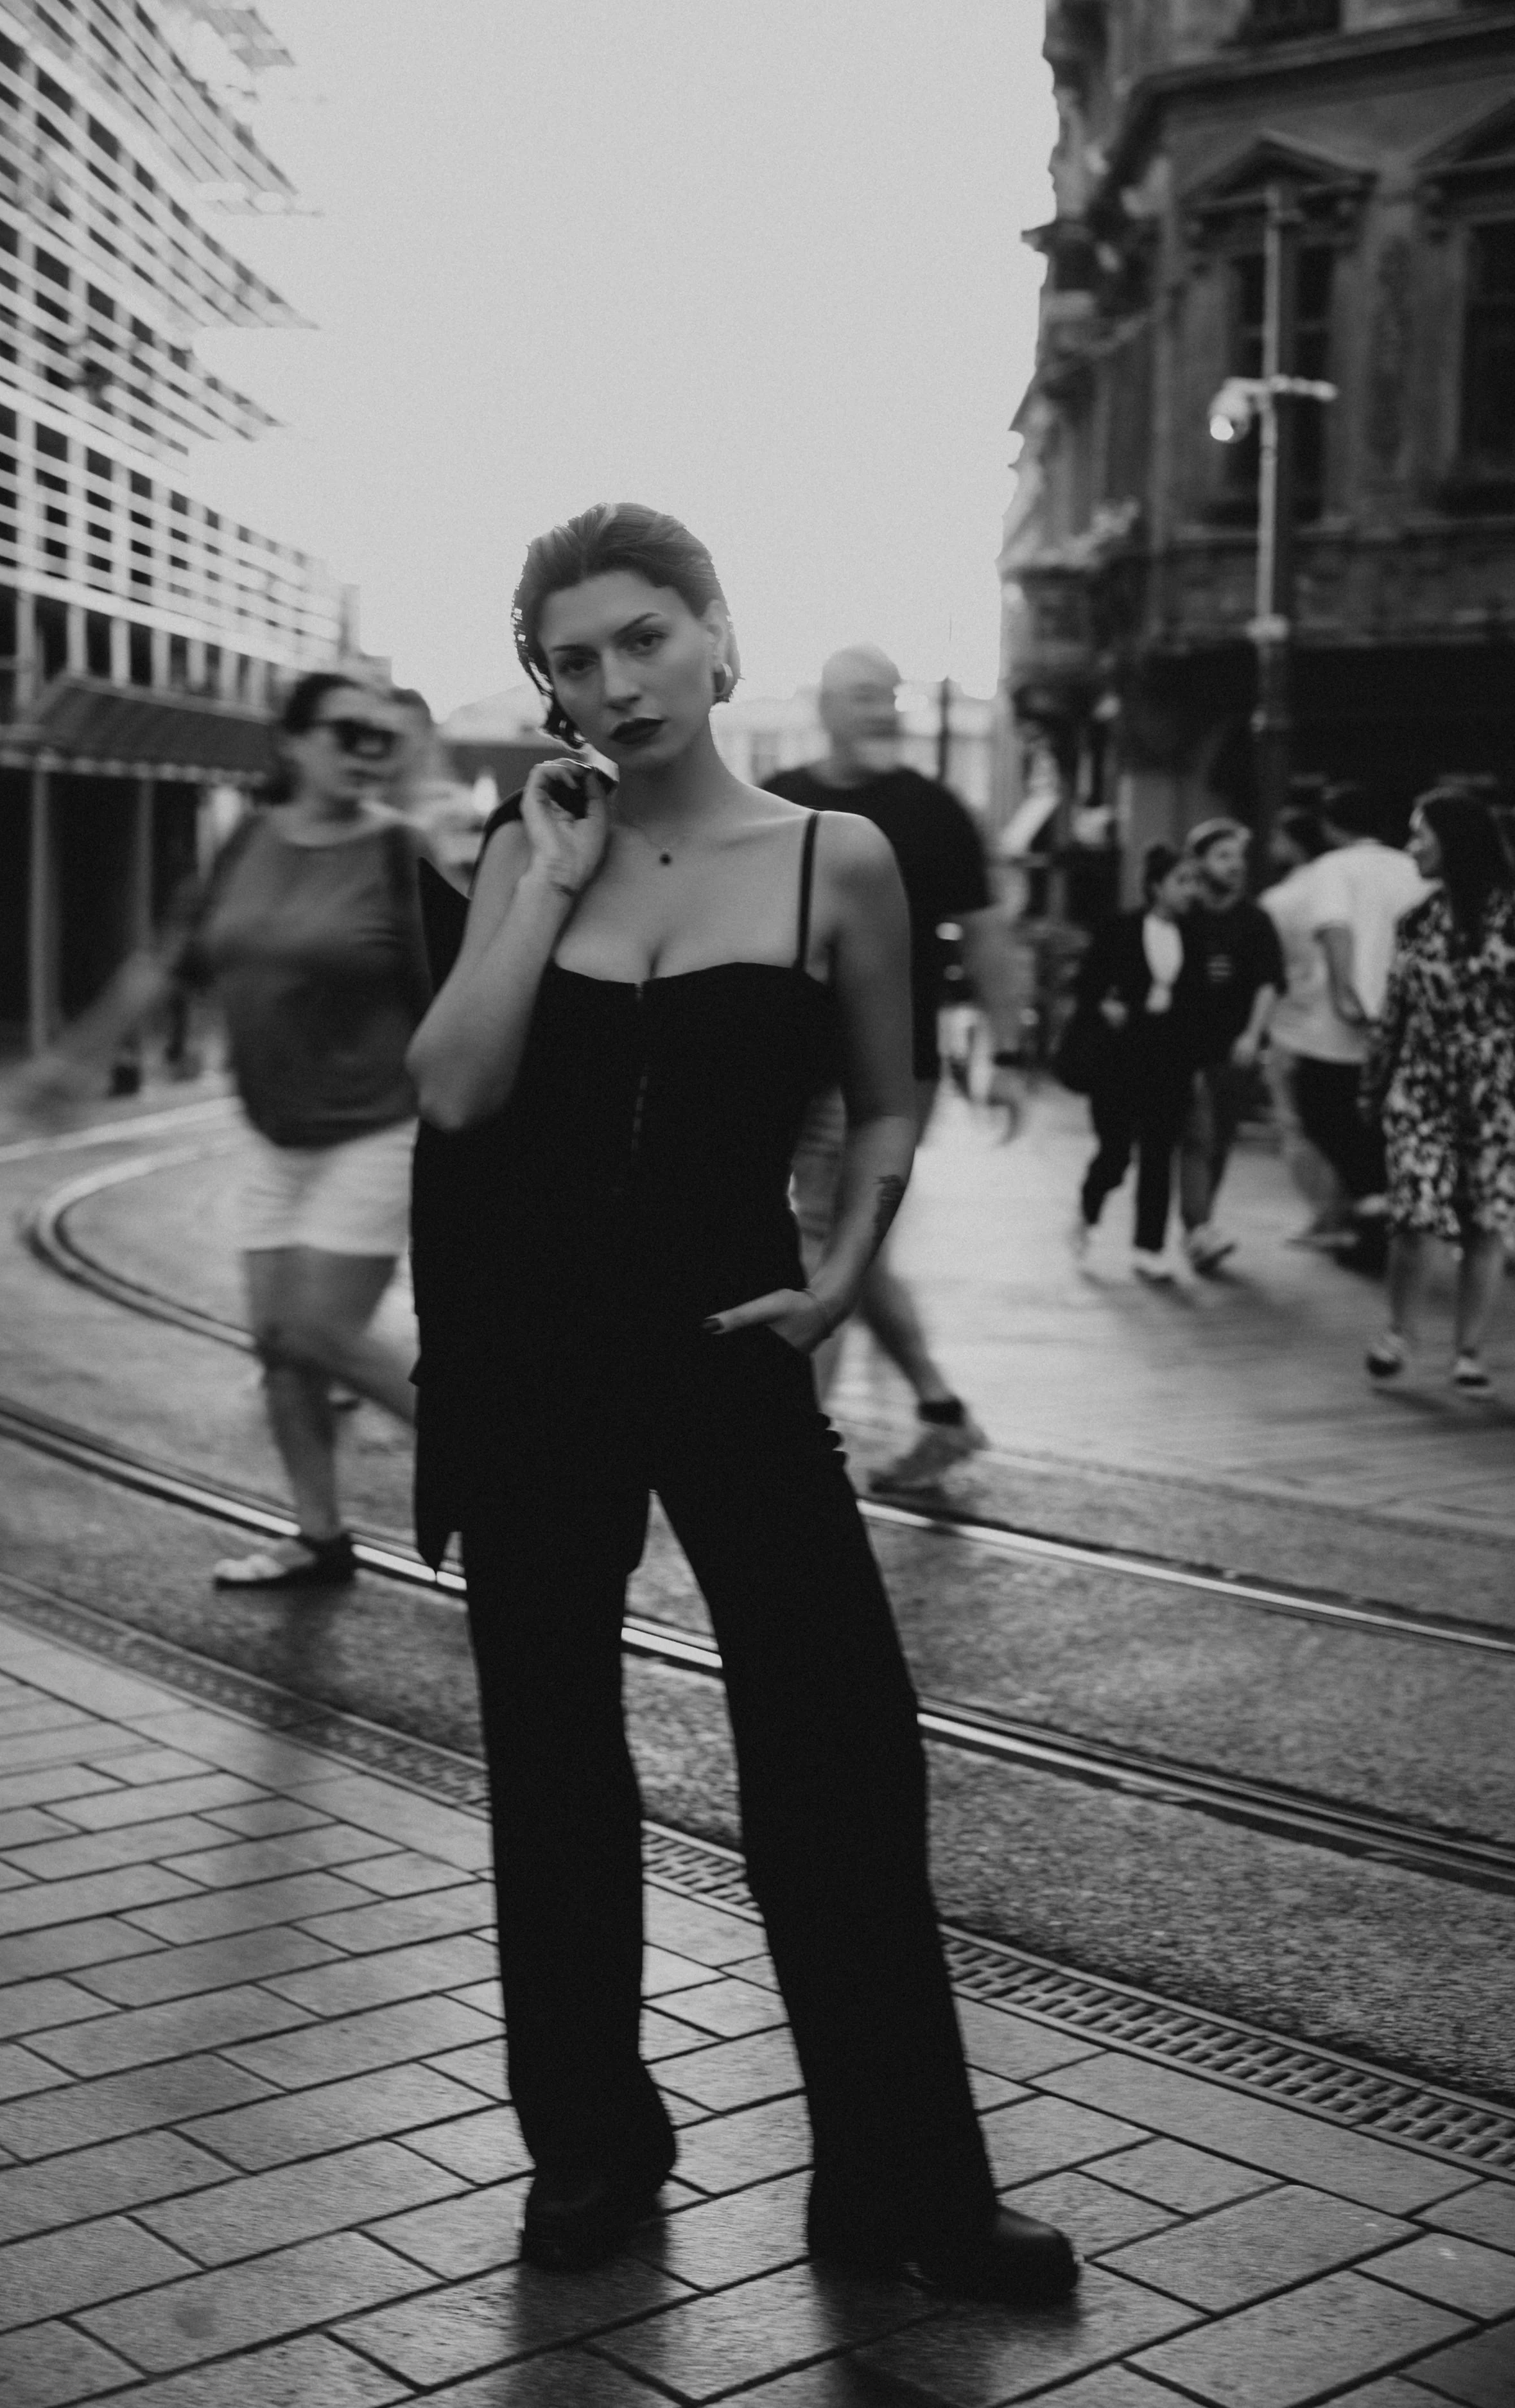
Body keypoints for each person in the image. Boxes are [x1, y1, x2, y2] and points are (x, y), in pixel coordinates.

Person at [406, 503, 1075, 2303]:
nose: (615, 683)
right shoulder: (524, 842)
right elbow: (455, 1087)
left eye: (643, 637)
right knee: (554, 1757)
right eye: (573, 658)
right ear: (547, 684)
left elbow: (888, 1093)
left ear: (715, 633)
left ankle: (901, 2179)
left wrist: (845, 1267)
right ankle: (590, 2145)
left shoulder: (832, 859)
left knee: (841, 1744)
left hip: (728, 1339)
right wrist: (545, 883)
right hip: (534, 1353)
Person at [24, 671, 431, 1588]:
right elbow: (167, 959)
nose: (369, 749)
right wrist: (77, 1056)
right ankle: (319, 1535)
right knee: (278, 1346)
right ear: (292, 742)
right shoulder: (246, 838)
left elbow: (449, 995)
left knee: (319, 1330)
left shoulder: (399, 851)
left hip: (375, 1125)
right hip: (274, 1131)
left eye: (381, 735)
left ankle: (510, 1467)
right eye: (348, 731)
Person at [765, 647, 1026, 1495]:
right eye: (861, 695)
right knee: (856, 1250)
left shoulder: (933, 810)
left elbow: (986, 938)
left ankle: (795, 1459)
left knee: (826, 1241)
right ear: (823, 706)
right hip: (790, 1062)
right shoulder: (780, 802)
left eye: (889, 695)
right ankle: (942, 1413)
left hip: (887, 1070)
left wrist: (1007, 1052)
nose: (881, 709)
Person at [1365, 787, 1515, 1392]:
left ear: (1454, 842)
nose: (1411, 847)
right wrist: (1373, 1083)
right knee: (1413, 1211)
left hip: (1496, 1090)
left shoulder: (1510, 916)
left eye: (1419, 834)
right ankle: (1398, 1334)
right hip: (1422, 1084)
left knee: (1486, 1218)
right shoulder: (1416, 921)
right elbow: (1394, 1011)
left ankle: (1468, 1352)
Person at [1290, 785, 1428, 1271]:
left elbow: (1335, 928)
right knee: (1380, 1123)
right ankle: (1375, 1215)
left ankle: (1373, 1203)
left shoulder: (1333, 868)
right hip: (1405, 1017)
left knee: (1320, 1108)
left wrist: (1347, 995)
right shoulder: (1412, 867)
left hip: (1342, 1025)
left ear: (1331, 826)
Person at [1071, 844, 1206, 1279]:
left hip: (1170, 1058)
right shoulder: (1120, 929)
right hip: (1121, 1055)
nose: (1191, 890)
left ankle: (1149, 1248)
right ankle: (1088, 1209)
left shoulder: (1196, 935)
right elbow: (1087, 984)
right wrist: (1104, 1006)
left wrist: (1196, 1062)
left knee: (1159, 1154)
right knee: (1115, 1153)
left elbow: (1200, 1004)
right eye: (1182, 881)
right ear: (1156, 886)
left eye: (1195, 881)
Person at [1178, 816, 1284, 1271]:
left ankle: (1201, 1226)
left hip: (1234, 1049)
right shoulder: (1184, 914)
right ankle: (1198, 1229)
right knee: (1198, 1136)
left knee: (1219, 1140)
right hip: (1184, 1047)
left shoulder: (1256, 921)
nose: (1235, 865)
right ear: (1199, 862)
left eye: (1239, 857)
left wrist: (1252, 1034)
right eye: (1223, 856)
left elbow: (1268, 983)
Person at [1257, 807, 1350, 1244]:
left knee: (1295, 1122)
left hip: (1293, 1024)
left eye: (1278, 838)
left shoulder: (1281, 900)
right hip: (1347, 1024)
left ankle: (1324, 1217)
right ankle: (1349, 1211)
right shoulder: (1339, 889)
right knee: (1344, 1124)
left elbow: (1266, 969)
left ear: (1293, 844)